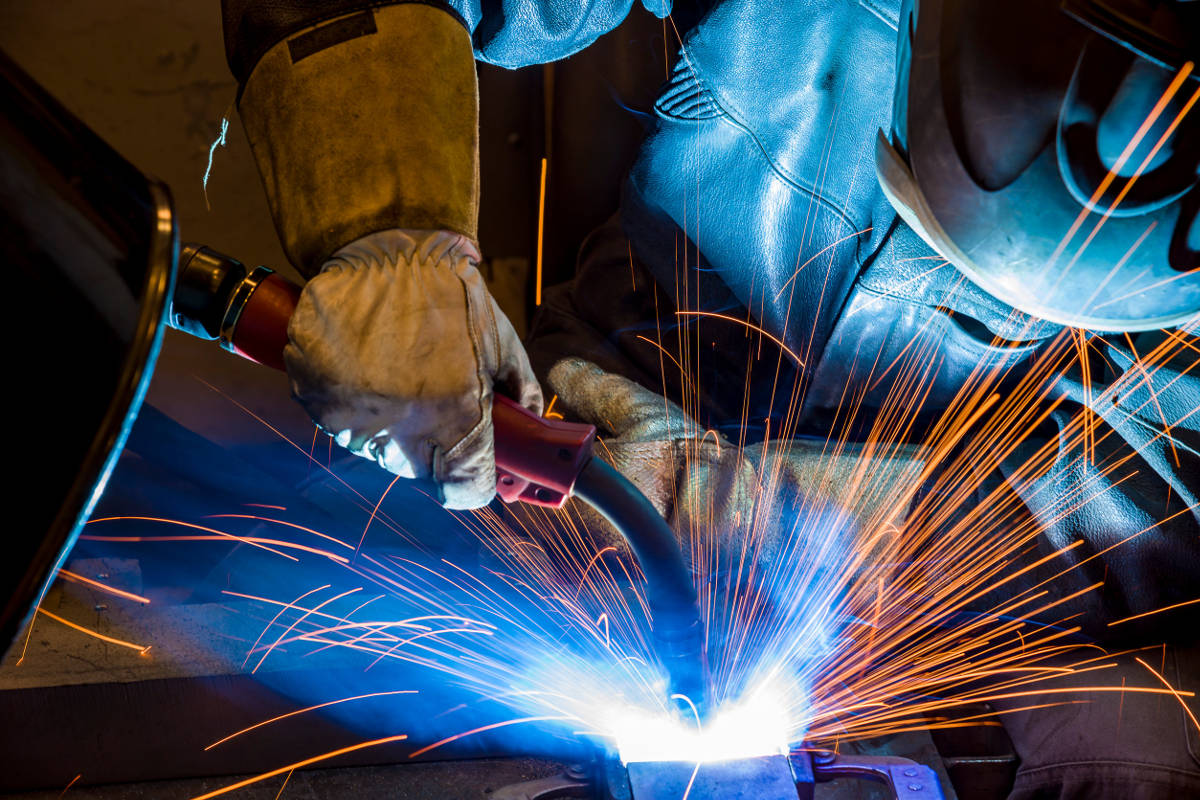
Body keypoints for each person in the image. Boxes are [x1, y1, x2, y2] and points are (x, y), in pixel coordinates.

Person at [218, 0, 1200, 796]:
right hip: (582, 453)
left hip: (979, 615)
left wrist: (897, 542)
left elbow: (1170, 489)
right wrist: (391, 222)